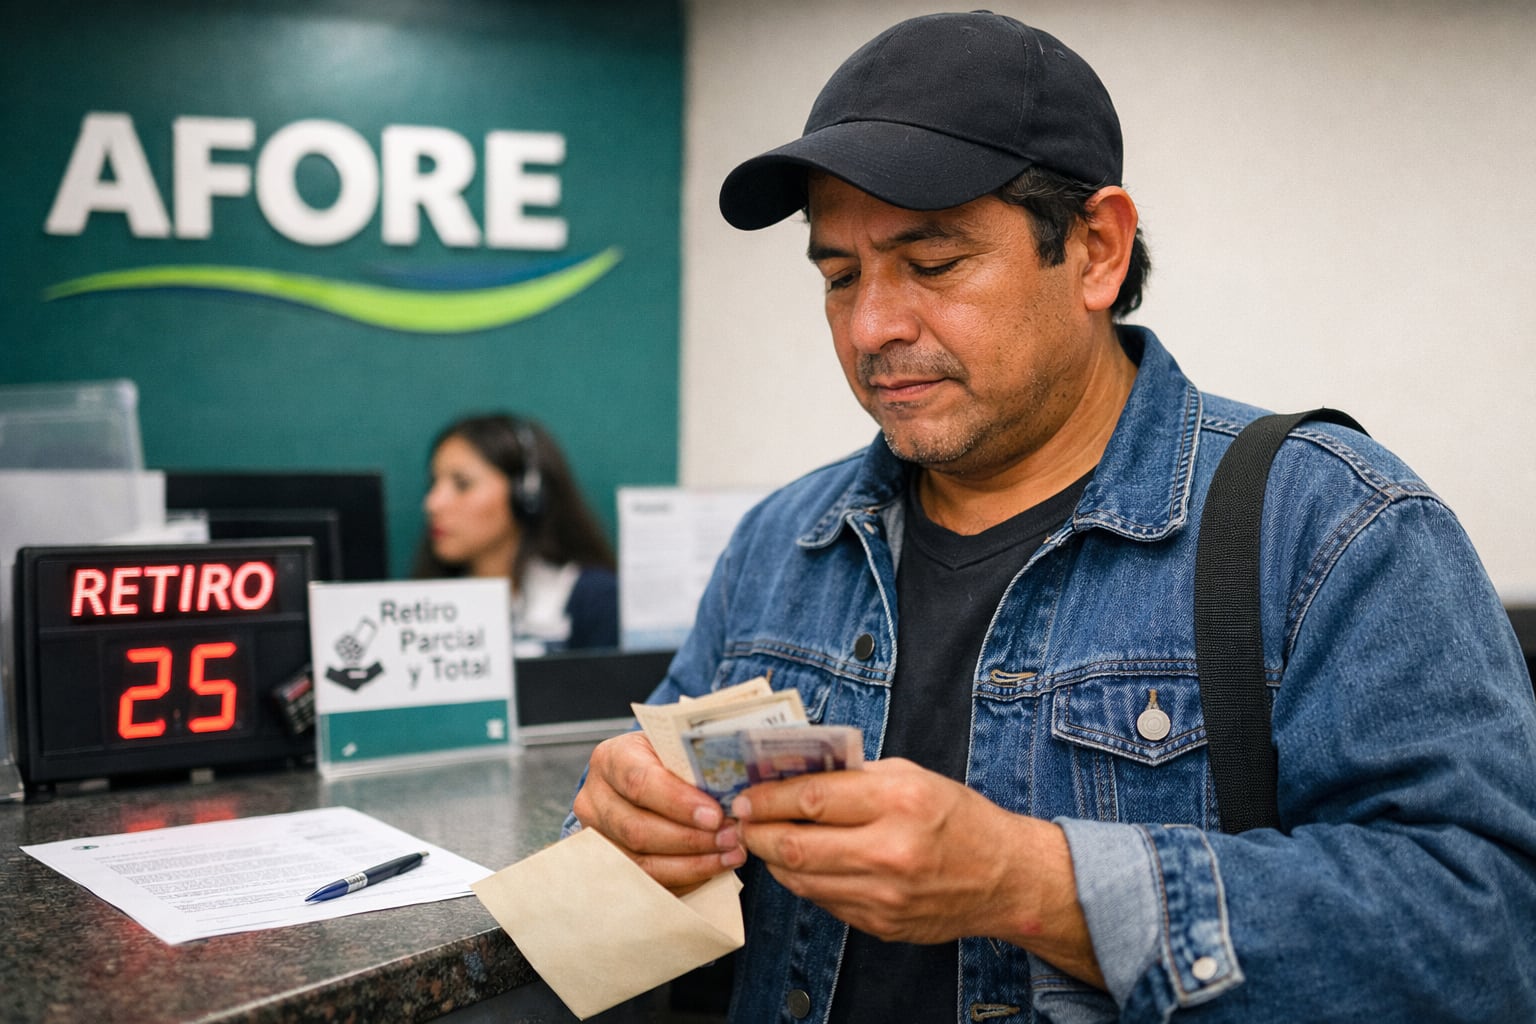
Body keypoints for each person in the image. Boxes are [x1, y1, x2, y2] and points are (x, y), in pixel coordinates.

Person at [570, 12, 1536, 1023]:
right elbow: (630, 913)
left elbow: (1486, 936)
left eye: (932, 265)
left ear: (1095, 250)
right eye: (840, 276)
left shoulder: (1332, 528)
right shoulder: (782, 544)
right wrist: (619, 838)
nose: (871, 327)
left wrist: (1031, 881)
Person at [413, 412, 618, 654]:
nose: (433, 503)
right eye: (433, 484)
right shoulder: (420, 608)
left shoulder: (594, 597)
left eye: (462, 484)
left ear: (525, 496)